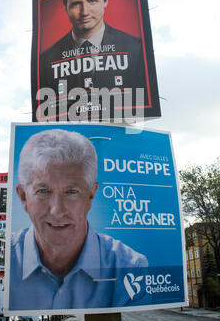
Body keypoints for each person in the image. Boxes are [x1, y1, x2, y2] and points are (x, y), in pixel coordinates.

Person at [9, 128, 148, 310]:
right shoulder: (1, 260)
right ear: (23, 197)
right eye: (43, 191)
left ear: (91, 195)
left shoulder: (131, 267)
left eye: (71, 192)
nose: (57, 211)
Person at [38, 0, 148, 117]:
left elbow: (142, 101)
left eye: (92, 1)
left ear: (105, 1)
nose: (85, 12)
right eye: (76, 4)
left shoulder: (136, 48)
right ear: (65, 8)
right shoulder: (46, 60)